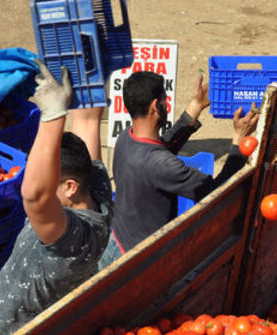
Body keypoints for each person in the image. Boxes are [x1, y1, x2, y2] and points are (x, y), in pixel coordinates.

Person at [0, 60, 113, 335]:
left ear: (70, 187)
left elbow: (35, 195)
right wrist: (90, 67)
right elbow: (88, 121)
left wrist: (52, 116)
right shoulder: (96, 187)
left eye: (51, 183)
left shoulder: (73, 242)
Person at [98, 70, 260, 268]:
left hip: (116, 243)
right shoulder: (163, 165)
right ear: (155, 106)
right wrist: (239, 141)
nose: (166, 104)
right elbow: (218, 192)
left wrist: (196, 106)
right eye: (164, 100)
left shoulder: (126, 137)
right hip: (138, 263)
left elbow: (163, 147)